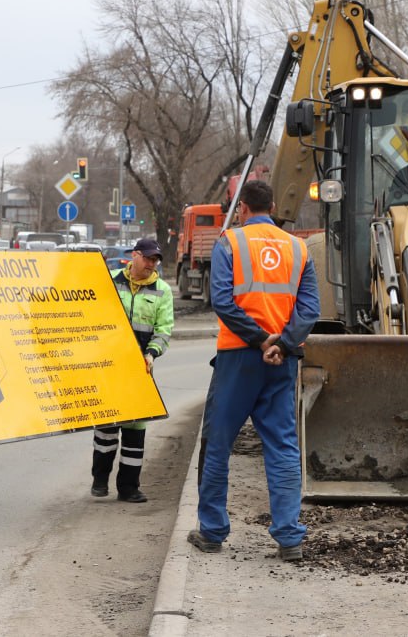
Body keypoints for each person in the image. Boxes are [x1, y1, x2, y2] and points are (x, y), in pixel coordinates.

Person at [188, 180, 319, 562]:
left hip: (238, 357)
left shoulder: (230, 243)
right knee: (282, 446)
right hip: (283, 360)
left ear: (242, 207)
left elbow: (224, 303)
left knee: (218, 444)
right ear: (274, 206)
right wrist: (280, 343)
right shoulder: (298, 248)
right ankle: (289, 538)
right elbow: (309, 309)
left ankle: (212, 531)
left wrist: (261, 341)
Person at [90, 236, 174, 503]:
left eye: (155, 260)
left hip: (140, 370)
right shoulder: (110, 280)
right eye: (148, 258)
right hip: (109, 368)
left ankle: (128, 488)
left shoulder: (162, 290)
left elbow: (163, 329)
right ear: (135, 255)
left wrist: (152, 353)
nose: (152, 264)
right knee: (106, 429)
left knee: (135, 432)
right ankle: (99, 480)